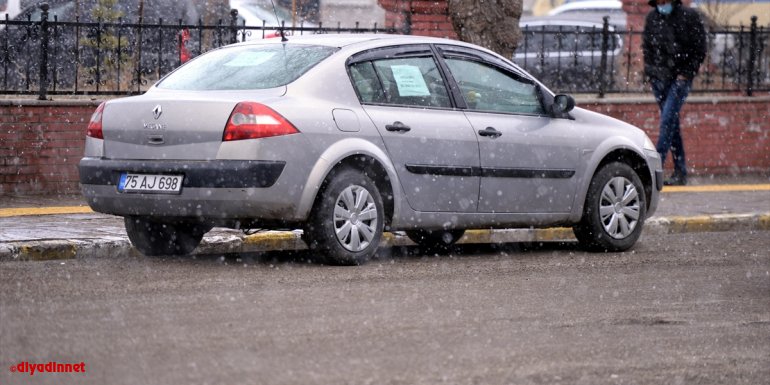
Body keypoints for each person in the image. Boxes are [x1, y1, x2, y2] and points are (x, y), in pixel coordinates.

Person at [642, 0, 707, 186]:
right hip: (659, 79)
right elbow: (647, 48)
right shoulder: (653, 18)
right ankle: (680, 171)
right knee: (672, 125)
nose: (662, 4)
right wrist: (652, 74)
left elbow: (699, 49)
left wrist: (686, 74)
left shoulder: (689, 17)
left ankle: (655, 169)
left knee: (667, 121)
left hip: (679, 79)